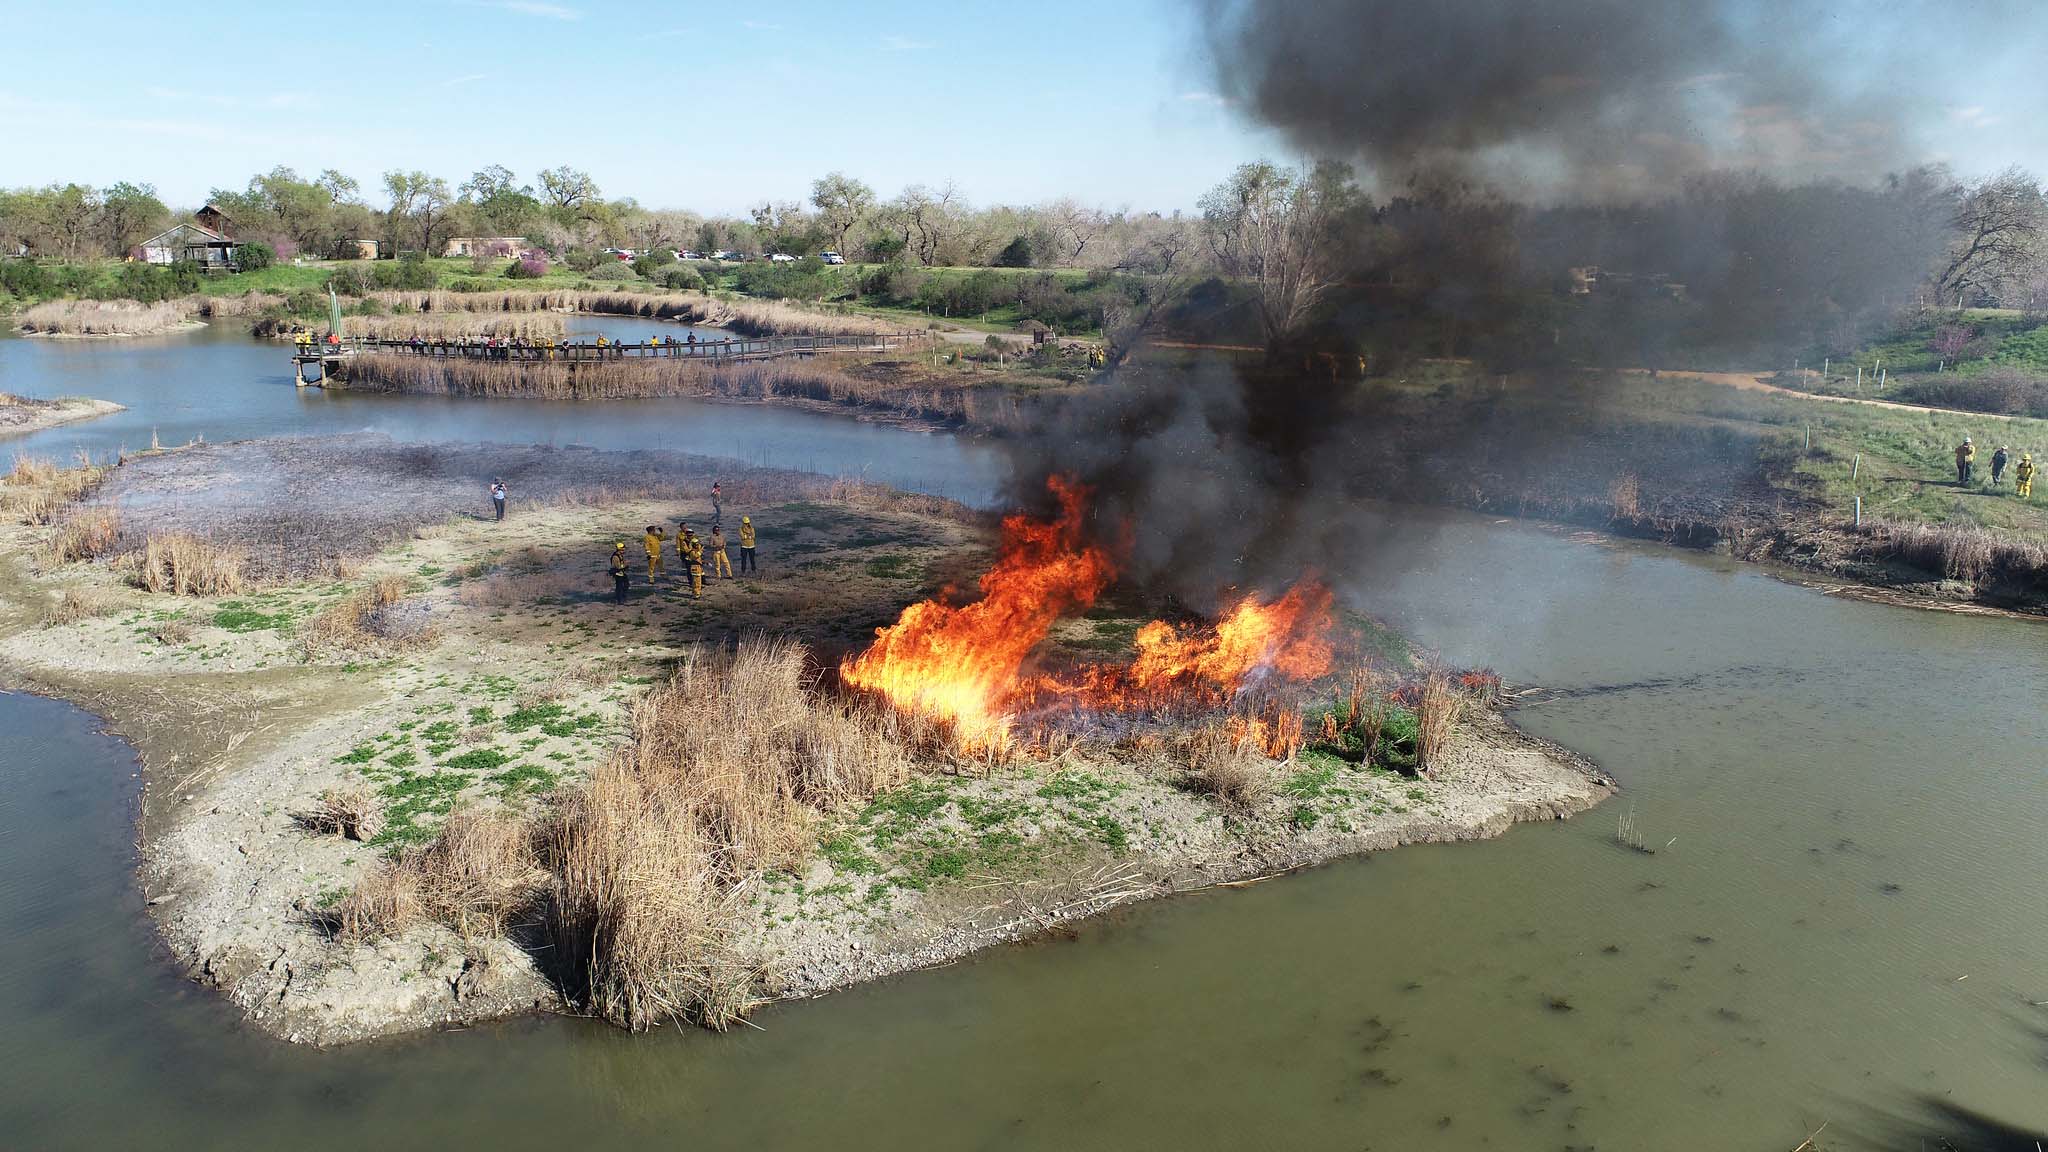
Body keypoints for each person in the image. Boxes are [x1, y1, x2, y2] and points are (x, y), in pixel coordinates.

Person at [678, 524, 704, 598]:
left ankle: (697, 591)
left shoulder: (695, 541)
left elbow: (698, 548)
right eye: (689, 534)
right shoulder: (685, 542)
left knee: (698, 578)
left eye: (691, 534)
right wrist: (697, 551)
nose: (690, 536)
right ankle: (694, 591)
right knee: (692, 575)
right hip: (689, 559)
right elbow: (688, 551)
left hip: (697, 562)